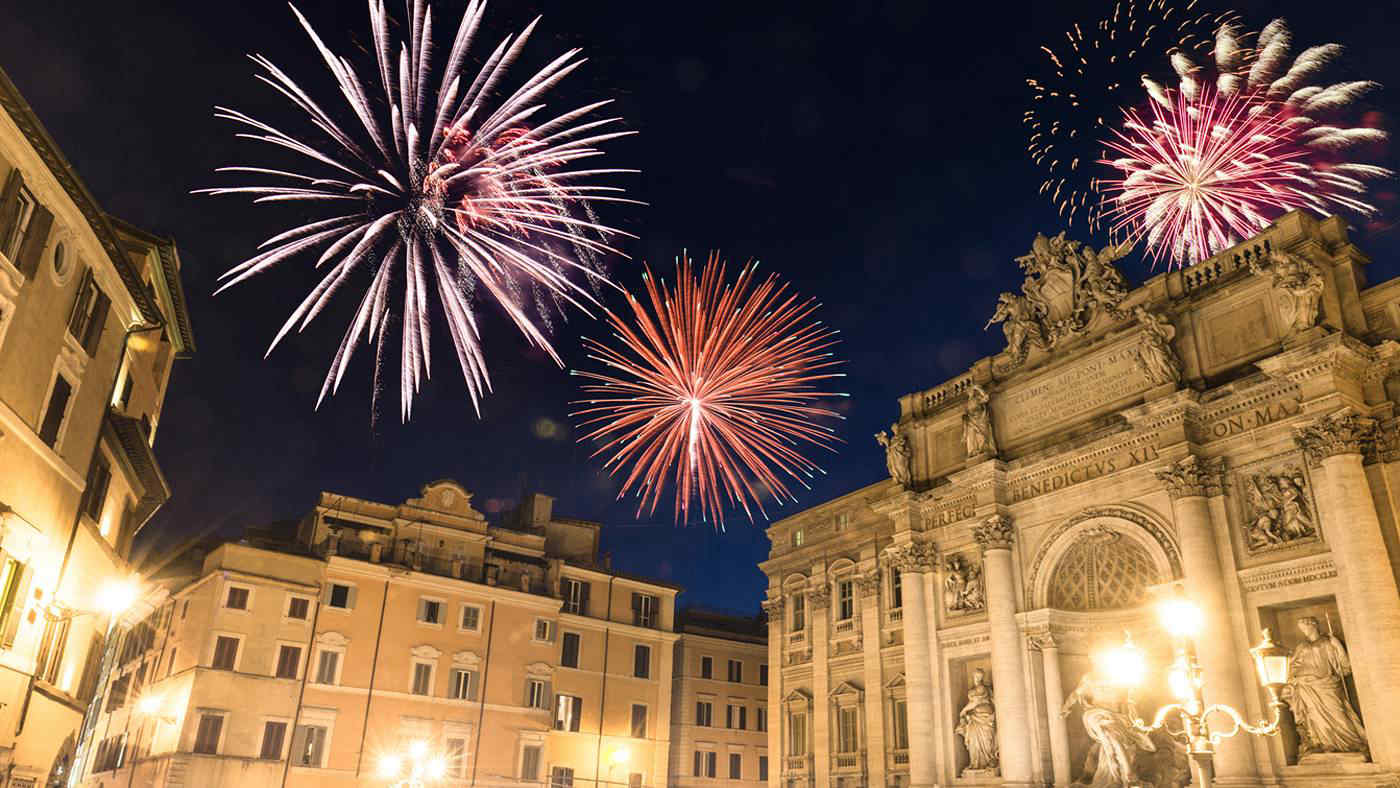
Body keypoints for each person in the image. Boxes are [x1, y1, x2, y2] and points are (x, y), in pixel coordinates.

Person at [1282, 617, 1368, 757]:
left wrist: (1338, 646)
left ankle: (1352, 743)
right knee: (1314, 716)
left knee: (1338, 713)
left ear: (1314, 625)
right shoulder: (1301, 647)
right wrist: (1295, 679)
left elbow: (1344, 666)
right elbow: (1292, 667)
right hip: (1306, 686)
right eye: (1301, 628)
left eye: (1305, 627)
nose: (1303, 631)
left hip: (1328, 685)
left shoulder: (1328, 642)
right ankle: (1324, 743)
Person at [1061, 673, 1156, 787]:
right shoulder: (1091, 678)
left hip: (1118, 718)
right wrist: (1066, 707)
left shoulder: (1119, 677)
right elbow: (1076, 693)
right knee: (1111, 739)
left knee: (1120, 746)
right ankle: (1129, 775)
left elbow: (1128, 699)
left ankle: (1122, 776)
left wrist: (1131, 706)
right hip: (1098, 715)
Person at [956, 669, 998, 773]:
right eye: (976, 676)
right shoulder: (974, 689)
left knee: (986, 741)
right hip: (975, 717)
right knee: (974, 740)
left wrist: (963, 711)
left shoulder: (982, 688)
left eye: (979, 676)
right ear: (973, 676)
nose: (977, 678)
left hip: (984, 717)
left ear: (982, 677)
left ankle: (987, 761)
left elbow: (976, 702)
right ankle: (976, 763)